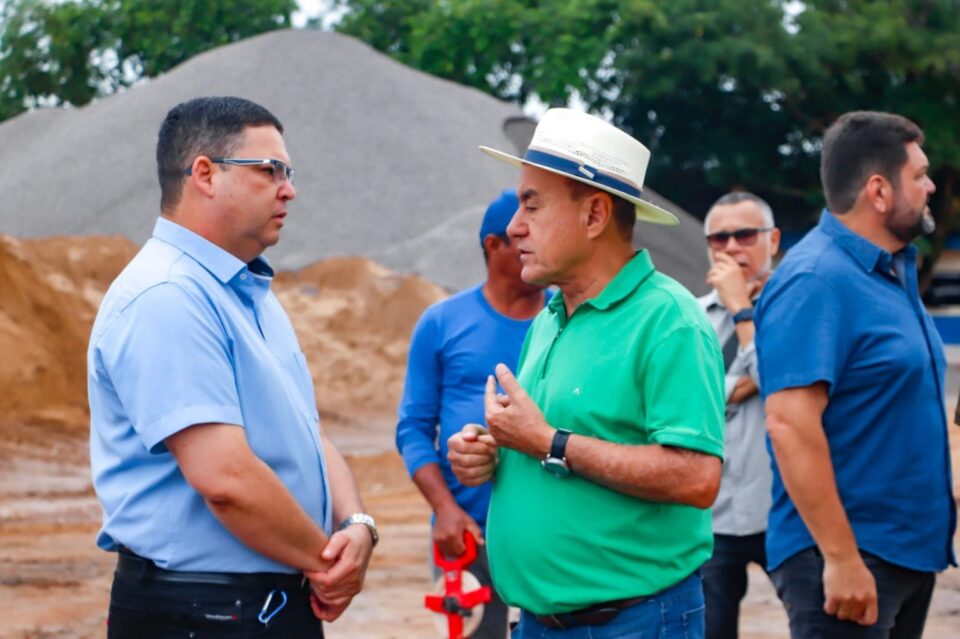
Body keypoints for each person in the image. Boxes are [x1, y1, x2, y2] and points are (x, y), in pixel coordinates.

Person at [87, 96, 377, 638]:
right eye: (269, 170)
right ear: (205, 174)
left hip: (254, 602)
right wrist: (327, 564)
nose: (288, 189)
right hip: (201, 610)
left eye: (288, 173)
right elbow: (226, 480)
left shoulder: (246, 293)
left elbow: (309, 434)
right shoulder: (168, 295)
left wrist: (358, 525)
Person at [448, 108, 726, 639]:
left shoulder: (669, 320)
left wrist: (548, 441)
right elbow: (552, 438)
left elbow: (696, 477)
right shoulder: (551, 317)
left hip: (632, 623)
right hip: (540, 622)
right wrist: (491, 452)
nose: (514, 225)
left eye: (532, 205)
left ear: (595, 215)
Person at [755, 110, 956, 638]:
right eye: (920, 175)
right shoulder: (816, 279)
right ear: (879, 191)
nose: (932, 186)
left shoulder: (891, 275)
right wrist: (841, 558)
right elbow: (790, 425)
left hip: (905, 553)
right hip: (848, 560)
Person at [396, 189, 548, 638]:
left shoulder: (566, 320)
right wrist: (444, 510)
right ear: (493, 245)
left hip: (549, 534)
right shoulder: (442, 322)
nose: (537, 244)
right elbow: (413, 429)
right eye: (522, 236)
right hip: (466, 537)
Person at [696, 192, 780, 639]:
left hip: (783, 508)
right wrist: (741, 386)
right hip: (711, 515)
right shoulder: (689, 316)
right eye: (719, 238)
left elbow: (781, 384)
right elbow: (684, 400)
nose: (731, 247)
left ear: (773, 241)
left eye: (745, 235)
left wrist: (742, 312)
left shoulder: (796, 309)